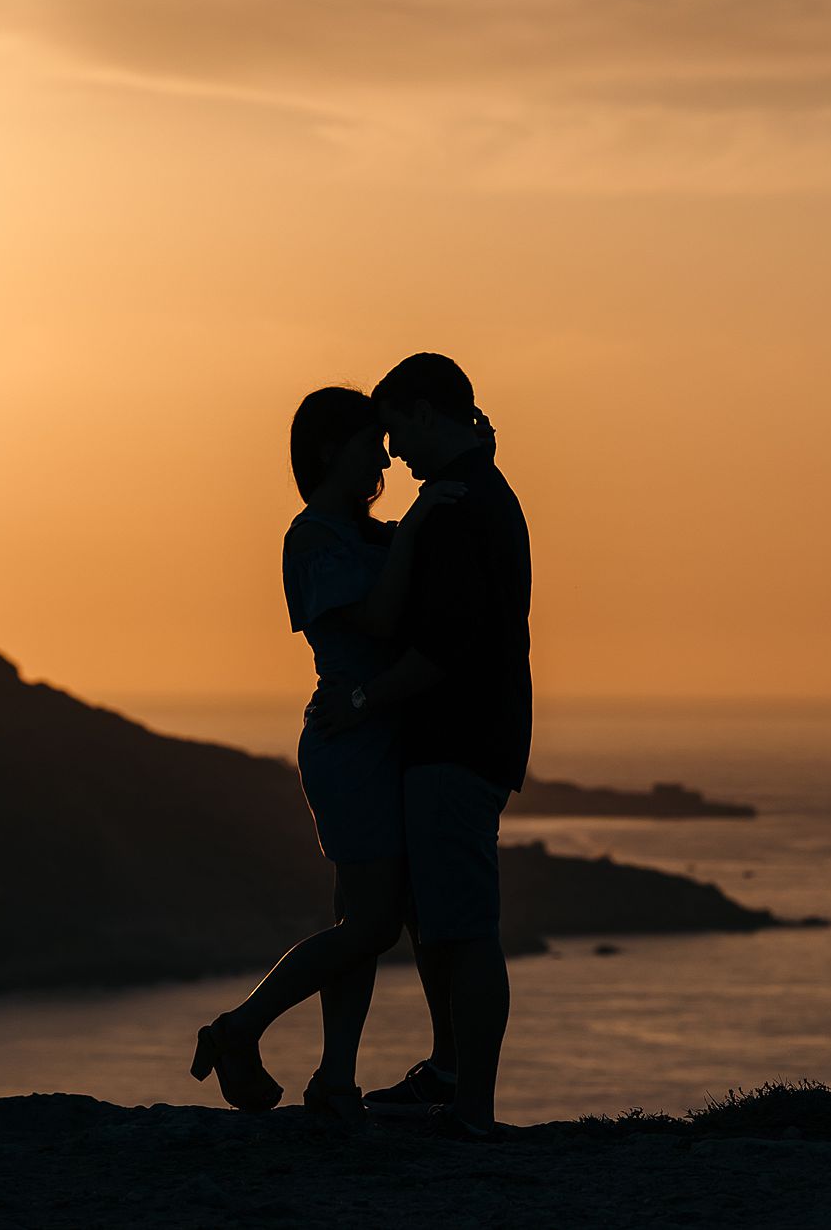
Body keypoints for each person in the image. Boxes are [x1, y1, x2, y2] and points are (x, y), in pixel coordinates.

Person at [191, 387, 464, 1126]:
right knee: (372, 924)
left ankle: (335, 1080)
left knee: (361, 917)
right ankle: (239, 1028)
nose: (382, 456)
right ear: (326, 451)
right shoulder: (316, 537)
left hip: (378, 735)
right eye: (368, 442)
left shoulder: (366, 534)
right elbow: (374, 619)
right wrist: (418, 531)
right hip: (350, 741)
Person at [308, 354, 532, 1141]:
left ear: (429, 415)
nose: (392, 450)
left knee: (463, 928)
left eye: (398, 427)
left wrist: (363, 698)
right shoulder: (460, 495)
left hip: (458, 740)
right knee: (435, 919)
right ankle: (449, 1075)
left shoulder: (459, 507)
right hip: (451, 740)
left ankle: (471, 1108)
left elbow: (445, 647)